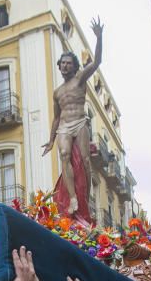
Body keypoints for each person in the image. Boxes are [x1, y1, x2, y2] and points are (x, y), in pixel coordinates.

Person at [42, 17, 104, 216]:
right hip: (64, 127)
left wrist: (99, 37)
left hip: (79, 122)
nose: (65, 66)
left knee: (85, 160)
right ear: (59, 67)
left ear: (74, 66)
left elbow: (96, 62)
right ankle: (73, 198)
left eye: (69, 63)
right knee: (64, 156)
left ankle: (85, 197)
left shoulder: (80, 79)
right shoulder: (57, 92)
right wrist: (51, 141)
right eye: (62, 64)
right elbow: (55, 118)